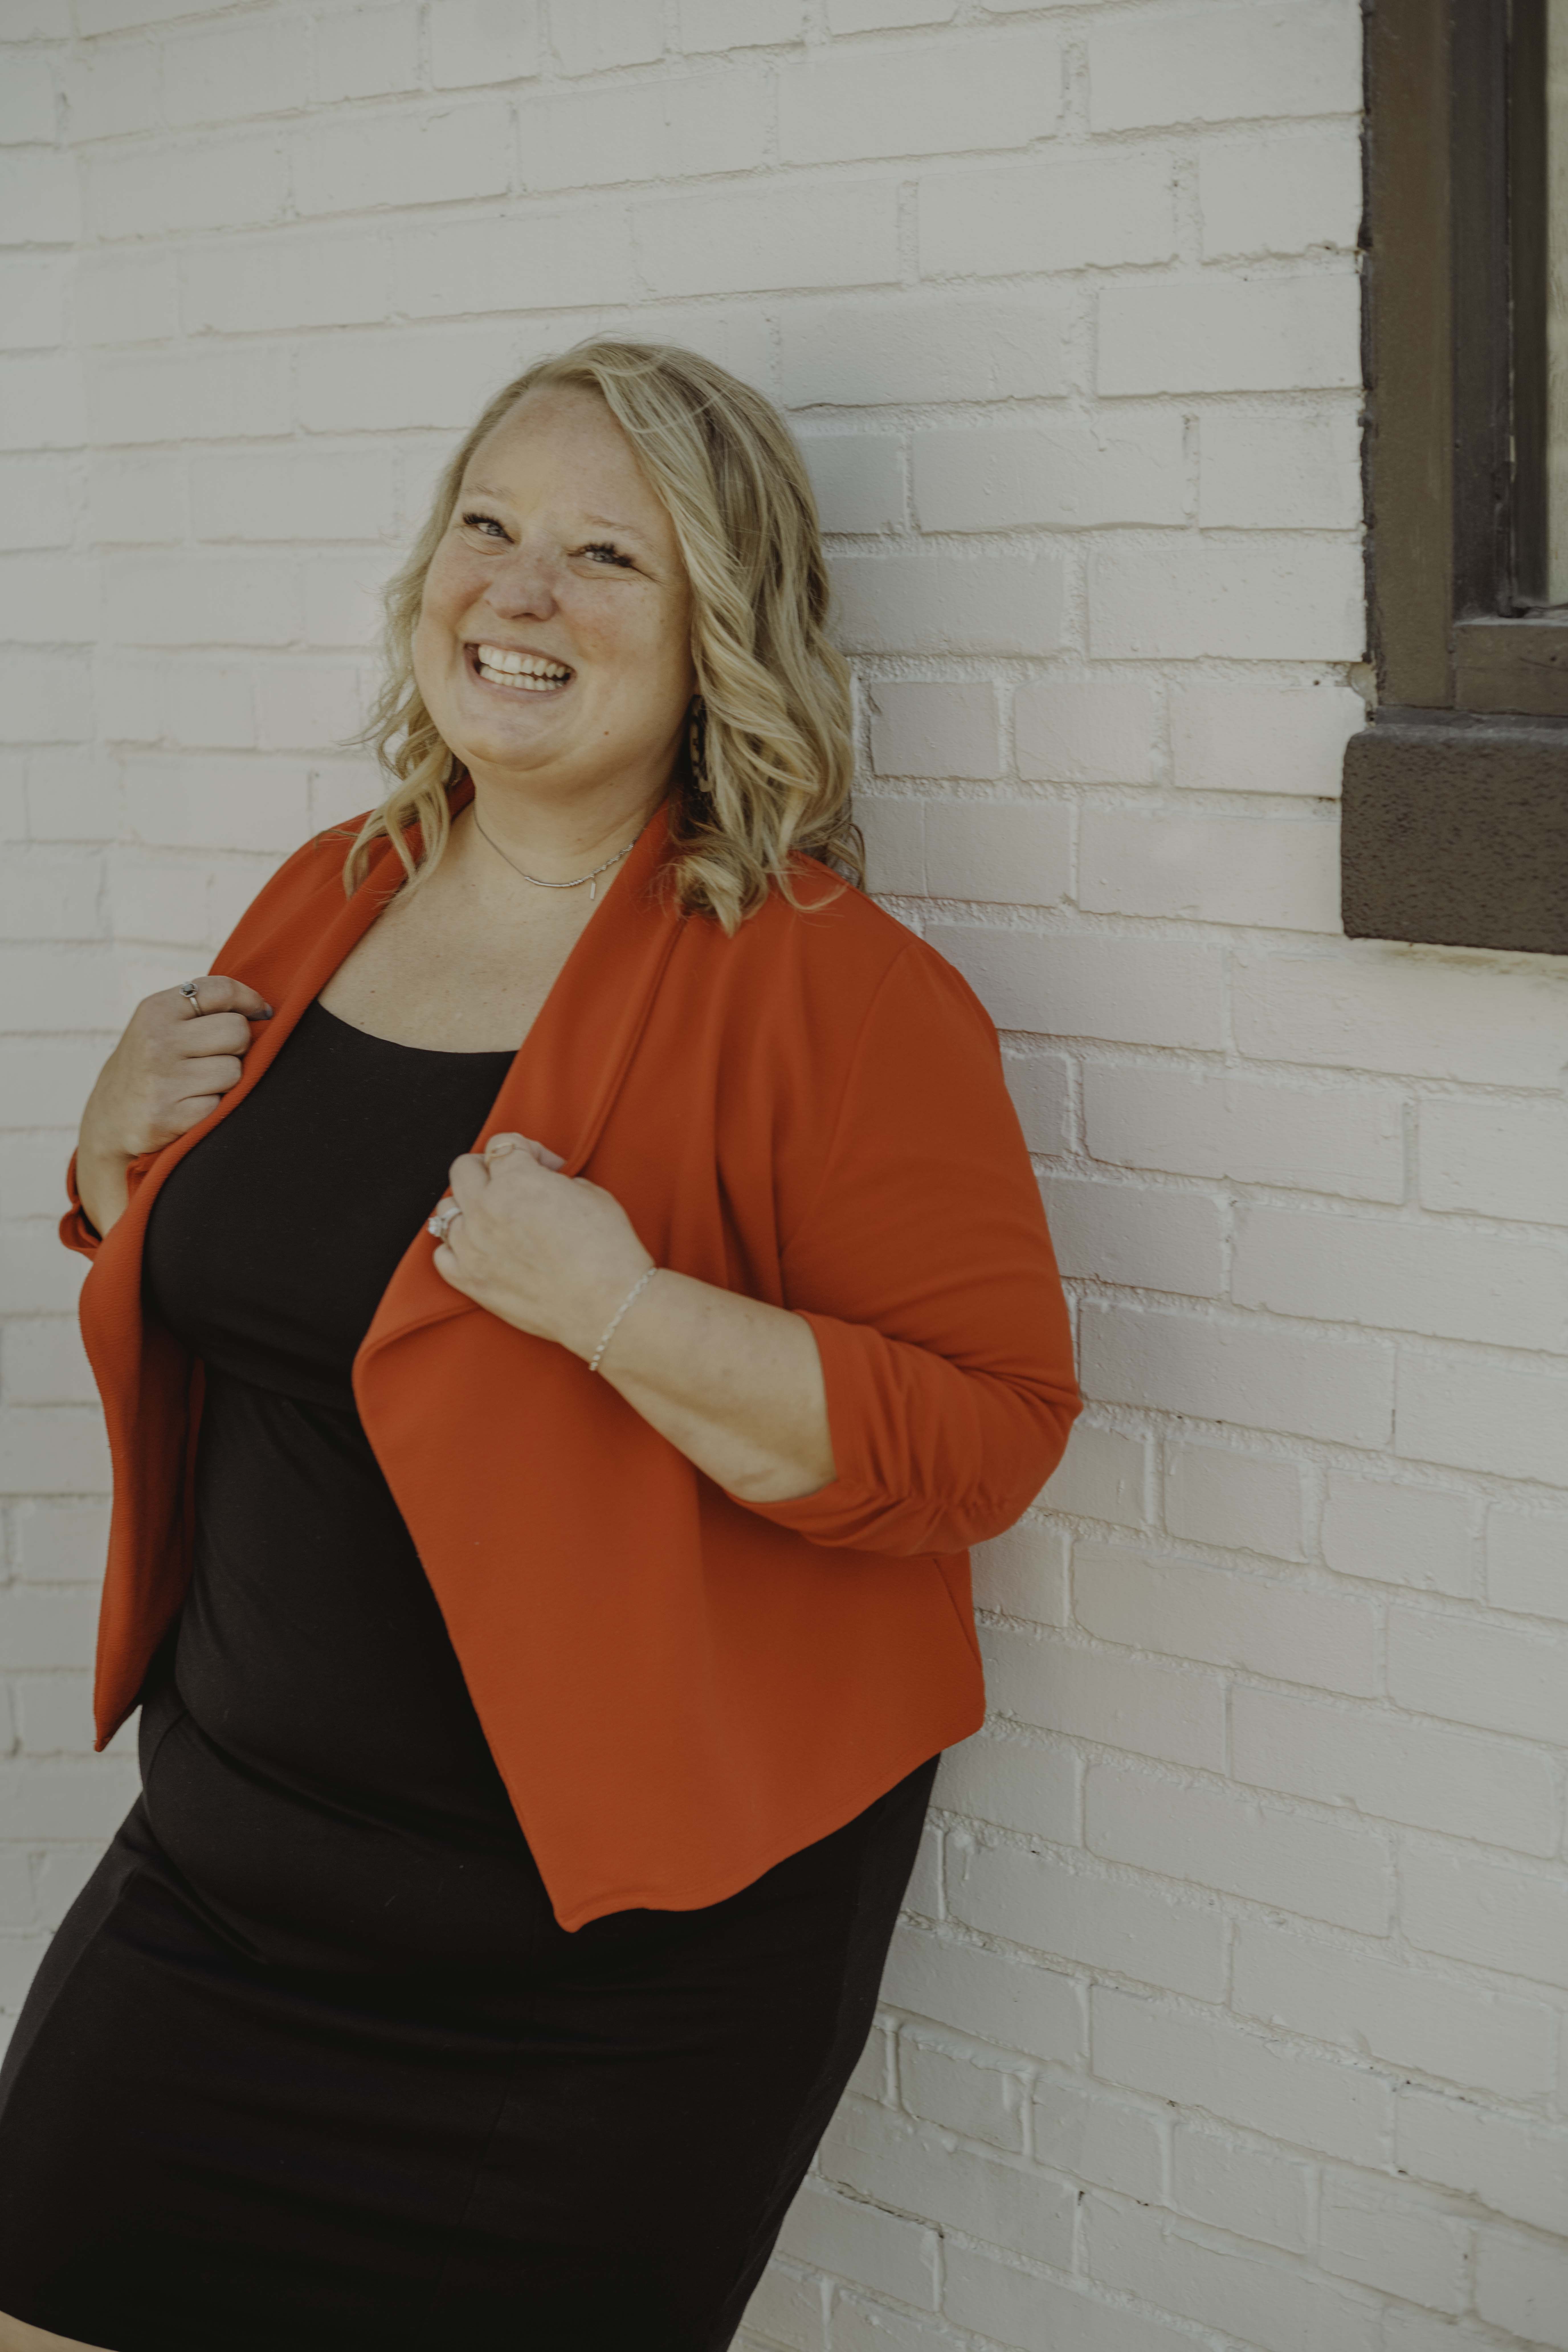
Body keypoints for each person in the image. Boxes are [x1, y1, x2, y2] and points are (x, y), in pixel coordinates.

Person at [0, 339, 1079, 2352]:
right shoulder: (327, 900)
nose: (517, 592)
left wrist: (620, 1310)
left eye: (606, 556)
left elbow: (986, 1439)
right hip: (223, 1899)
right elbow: (285, 1298)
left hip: (610, 1993)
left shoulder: (834, 991)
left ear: (718, 639)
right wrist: (106, 1163)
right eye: (487, 527)